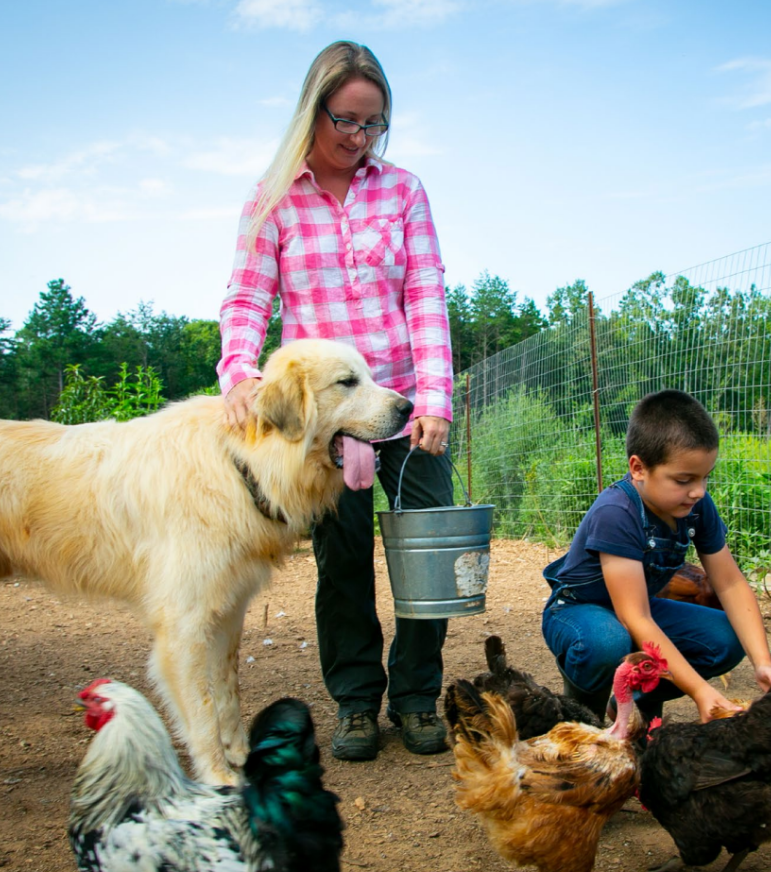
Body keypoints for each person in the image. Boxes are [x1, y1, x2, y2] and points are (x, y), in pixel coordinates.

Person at [217, 41, 453, 762]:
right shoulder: (273, 197)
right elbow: (248, 298)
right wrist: (237, 374)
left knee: (426, 553)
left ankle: (415, 698)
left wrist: (435, 396)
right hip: (326, 417)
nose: (358, 138)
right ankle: (355, 702)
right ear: (312, 111)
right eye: (346, 121)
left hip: (403, 406)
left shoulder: (403, 190)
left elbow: (425, 292)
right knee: (341, 556)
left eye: (374, 124)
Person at [541, 389, 771, 723]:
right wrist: (700, 691)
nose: (699, 491)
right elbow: (635, 618)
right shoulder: (617, 512)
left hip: (638, 607)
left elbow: (729, 584)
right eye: (684, 480)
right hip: (579, 611)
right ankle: (583, 713)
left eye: (705, 477)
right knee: (608, 641)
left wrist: (763, 663)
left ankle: (635, 697)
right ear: (638, 468)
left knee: (726, 639)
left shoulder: (696, 507)